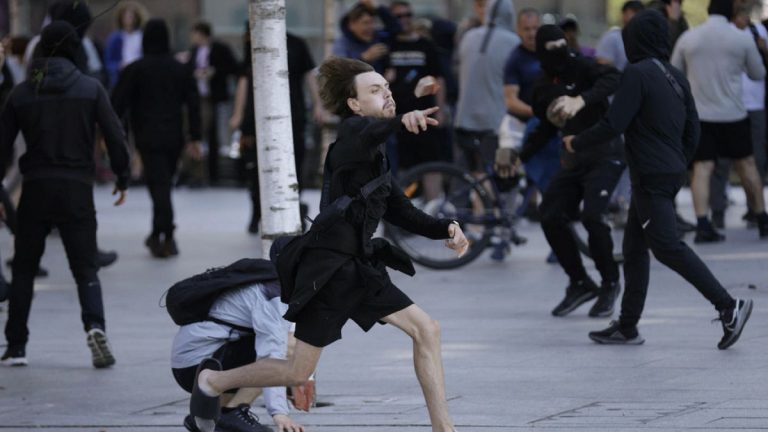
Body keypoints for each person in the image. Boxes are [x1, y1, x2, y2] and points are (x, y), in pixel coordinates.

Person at [186, 57, 468, 432]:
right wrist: (402, 121)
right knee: (297, 371)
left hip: (359, 267)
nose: (386, 94)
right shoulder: (351, 136)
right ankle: (212, 381)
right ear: (354, 104)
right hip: (328, 271)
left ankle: (443, 429)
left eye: (386, 88)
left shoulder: (378, 157)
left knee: (426, 330)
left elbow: (402, 212)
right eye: (374, 90)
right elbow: (368, 131)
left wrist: (448, 227)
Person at [564, 10, 754, 349]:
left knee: (666, 247)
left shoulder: (636, 73)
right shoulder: (674, 75)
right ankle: (627, 326)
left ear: (634, 39)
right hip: (666, 170)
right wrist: (678, 160)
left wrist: (575, 142)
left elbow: (613, 123)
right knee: (634, 249)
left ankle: (728, 306)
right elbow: (693, 127)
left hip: (651, 175)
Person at [0, 21, 130, 367]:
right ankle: (95, 326)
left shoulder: (23, 92)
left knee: (24, 268)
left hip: (35, 188)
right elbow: (115, 136)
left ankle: (16, 346)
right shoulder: (90, 88)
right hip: (77, 188)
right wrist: (123, 176)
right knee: (85, 268)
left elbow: (2, 146)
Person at [520, 25, 623, 318]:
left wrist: (582, 99)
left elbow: (615, 78)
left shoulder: (584, 66)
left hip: (605, 154)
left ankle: (610, 282)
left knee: (592, 216)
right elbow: (545, 127)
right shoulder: (542, 86)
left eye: (561, 45)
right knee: (550, 213)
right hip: (574, 159)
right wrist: (519, 157)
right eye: (551, 49)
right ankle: (579, 282)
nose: (559, 53)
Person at [671, 0, 768, 241]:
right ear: (731, 13)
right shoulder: (742, 39)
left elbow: (674, 72)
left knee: (702, 168)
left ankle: (703, 224)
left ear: (708, 10)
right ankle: (762, 218)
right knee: (747, 165)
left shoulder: (689, 38)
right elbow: (758, 73)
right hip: (733, 113)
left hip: (702, 115)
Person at [171, 264, 304, 432]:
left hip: (200, 359)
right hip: (199, 365)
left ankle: (208, 418)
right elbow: (273, 356)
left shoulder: (276, 284)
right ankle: (232, 413)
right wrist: (280, 413)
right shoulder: (274, 296)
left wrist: (295, 378)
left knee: (288, 343)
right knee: (289, 347)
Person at [112, 19, 201, 258]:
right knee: (163, 184)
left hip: (146, 135)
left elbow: (117, 104)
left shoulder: (135, 69)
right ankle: (159, 234)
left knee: (158, 185)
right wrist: (195, 136)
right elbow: (193, 104)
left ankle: (166, 235)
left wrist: (113, 135)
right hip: (174, 136)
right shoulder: (180, 69)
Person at [230, 28, 321, 234]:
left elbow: (310, 74)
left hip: (293, 114)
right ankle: (258, 211)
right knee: (256, 166)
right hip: (257, 116)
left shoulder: (297, 43)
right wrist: (238, 113)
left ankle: (293, 208)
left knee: (294, 164)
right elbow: (244, 79)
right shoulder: (255, 40)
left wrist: (318, 104)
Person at [709, 5, 768, 229]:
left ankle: (755, 209)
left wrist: (763, 49)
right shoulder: (721, 35)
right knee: (720, 162)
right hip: (728, 105)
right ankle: (718, 210)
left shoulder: (758, 32)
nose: (745, 19)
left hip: (754, 104)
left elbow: (760, 72)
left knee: (755, 160)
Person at [454, 0, 519, 174]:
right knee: (501, 175)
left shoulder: (468, 37)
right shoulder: (513, 42)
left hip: (464, 120)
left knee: (477, 174)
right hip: (495, 122)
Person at [386, 1, 446, 175]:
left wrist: (441, 111)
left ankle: (432, 195)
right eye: (399, 16)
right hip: (397, 116)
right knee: (402, 167)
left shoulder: (426, 45)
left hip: (425, 113)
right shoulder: (387, 46)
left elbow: (439, 78)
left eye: (407, 15)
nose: (404, 19)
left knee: (431, 164)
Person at [184, 21, 238, 186]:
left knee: (212, 135)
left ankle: (212, 174)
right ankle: (197, 172)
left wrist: (213, 72)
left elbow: (232, 67)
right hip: (198, 97)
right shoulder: (194, 51)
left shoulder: (220, 49)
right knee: (197, 134)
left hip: (214, 98)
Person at [332, 0, 401, 73]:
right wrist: (364, 58)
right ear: (351, 25)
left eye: (372, 22)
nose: (370, 27)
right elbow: (340, 71)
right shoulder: (342, 44)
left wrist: (378, 8)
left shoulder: (378, 37)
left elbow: (396, 28)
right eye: (365, 23)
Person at [104, 0, 147, 88]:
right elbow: (109, 60)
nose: (128, 19)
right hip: (121, 76)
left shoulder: (142, 36)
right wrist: (118, 66)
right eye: (126, 16)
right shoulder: (115, 38)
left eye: (131, 16)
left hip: (139, 74)